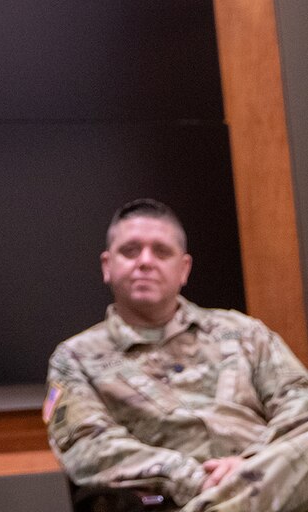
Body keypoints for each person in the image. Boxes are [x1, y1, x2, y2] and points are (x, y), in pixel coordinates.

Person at [45, 198, 308, 512]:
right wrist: (191, 477)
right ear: (107, 266)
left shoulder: (244, 332)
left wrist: (251, 465)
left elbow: (300, 405)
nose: (145, 261)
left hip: (278, 482)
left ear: (184, 269)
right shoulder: (75, 358)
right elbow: (87, 447)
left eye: (161, 251)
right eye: (130, 251)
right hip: (176, 497)